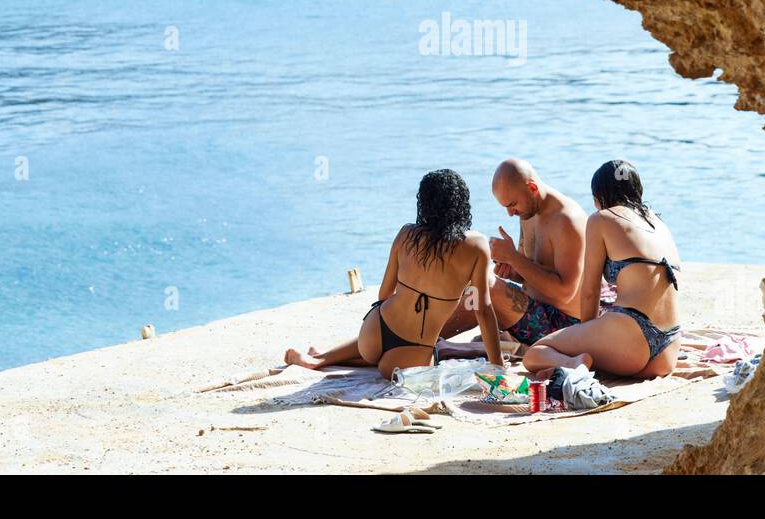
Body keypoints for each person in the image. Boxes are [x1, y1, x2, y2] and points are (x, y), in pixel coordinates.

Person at [284, 169, 503, 377]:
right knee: (418, 357)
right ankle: (321, 359)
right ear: (462, 204)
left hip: (374, 331)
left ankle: (320, 359)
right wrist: (498, 368)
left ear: (424, 203)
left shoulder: (407, 234)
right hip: (412, 352)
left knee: (376, 351)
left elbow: (384, 294)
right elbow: (482, 311)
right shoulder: (477, 246)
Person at [522, 160, 683, 379]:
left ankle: (574, 362)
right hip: (667, 352)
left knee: (535, 354)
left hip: (630, 342)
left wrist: (585, 335)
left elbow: (590, 291)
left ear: (599, 195)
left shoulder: (601, 219)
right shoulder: (660, 223)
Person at [438, 158, 587, 349]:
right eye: (506, 207)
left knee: (486, 288)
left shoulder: (567, 220)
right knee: (472, 277)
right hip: (533, 308)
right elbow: (532, 271)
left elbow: (565, 292)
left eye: (513, 204)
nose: (510, 213)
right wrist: (512, 271)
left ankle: (416, 341)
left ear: (532, 188)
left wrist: (513, 258)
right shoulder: (527, 212)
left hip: (562, 324)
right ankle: (418, 333)